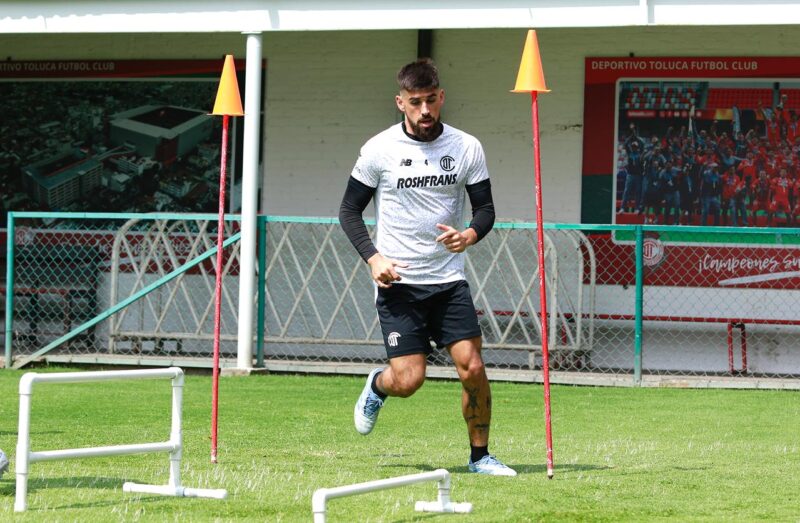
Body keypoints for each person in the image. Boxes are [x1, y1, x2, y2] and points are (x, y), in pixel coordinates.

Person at [338, 58, 516, 476]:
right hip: (399, 281)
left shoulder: (466, 146)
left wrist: (469, 234)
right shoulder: (379, 149)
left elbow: (485, 209)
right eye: (415, 102)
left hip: (448, 280)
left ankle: (480, 457)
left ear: (442, 97)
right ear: (400, 102)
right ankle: (377, 385)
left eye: (431, 101)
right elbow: (349, 211)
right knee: (409, 380)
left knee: (472, 365)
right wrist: (373, 257)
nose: (425, 111)